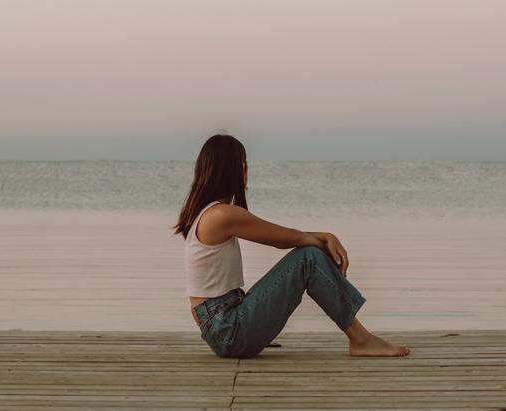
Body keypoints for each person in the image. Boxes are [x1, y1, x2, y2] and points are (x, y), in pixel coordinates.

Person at [172, 132, 411, 359]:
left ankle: (358, 337)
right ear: (230, 170)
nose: (246, 170)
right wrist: (325, 237)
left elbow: (287, 237)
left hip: (226, 325)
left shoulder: (206, 213)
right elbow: (285, 239)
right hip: (230, 332)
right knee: (308, 258)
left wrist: (322, 237)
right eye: (243, 164)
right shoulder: (221, 215)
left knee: (308, 254)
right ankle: (360, 339)